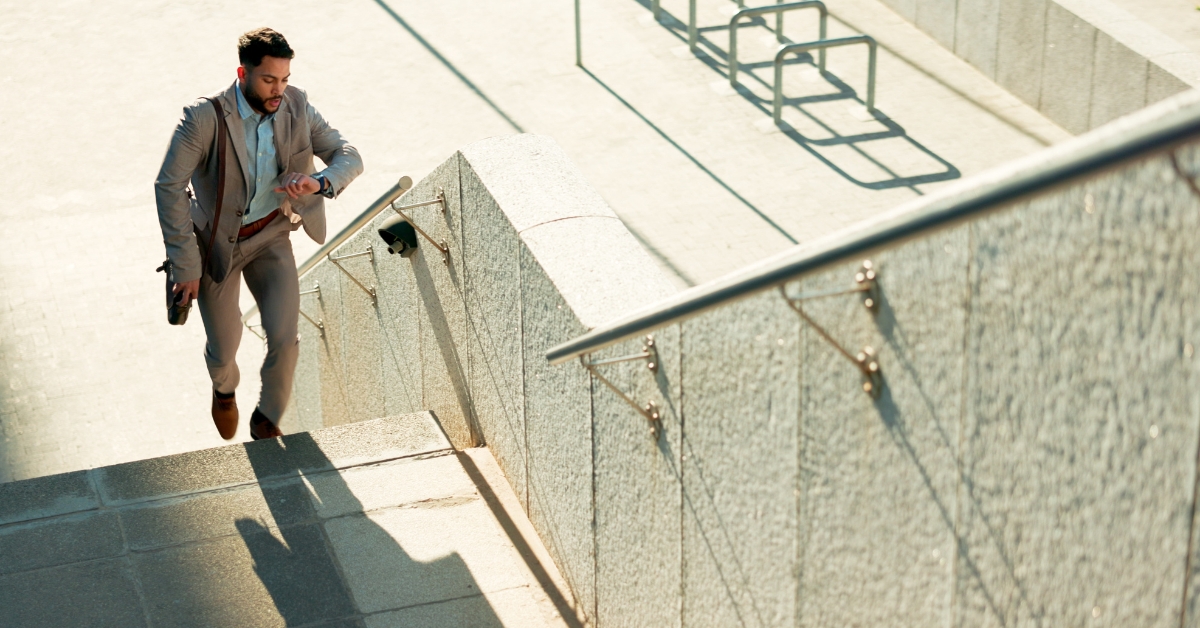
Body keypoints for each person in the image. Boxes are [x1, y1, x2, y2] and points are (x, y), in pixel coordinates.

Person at [155, 28, 363, 440]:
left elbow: (348, 155)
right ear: (243, 73)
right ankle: (224, 390)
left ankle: (267, 421)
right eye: (269, 79)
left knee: (286, 338)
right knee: (223, 346)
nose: (278, 89)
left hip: (271, 234)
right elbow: (169, 187)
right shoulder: (203, 118)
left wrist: (317, 183)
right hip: (217, 247)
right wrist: (185, 265)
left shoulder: (296, 104)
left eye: (284, 79)